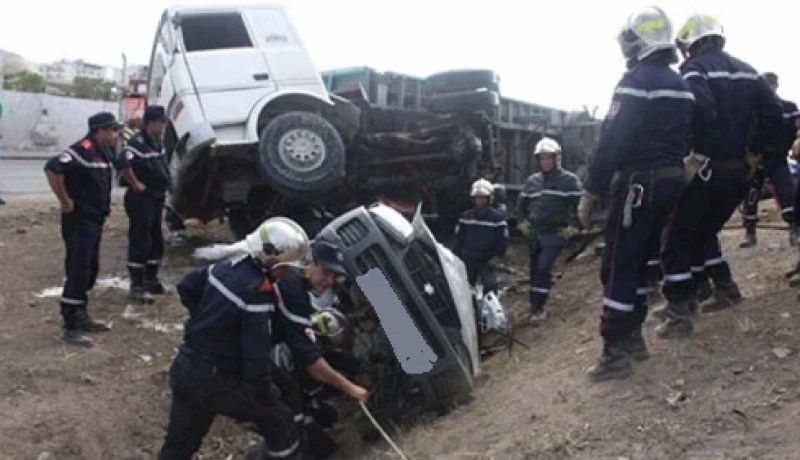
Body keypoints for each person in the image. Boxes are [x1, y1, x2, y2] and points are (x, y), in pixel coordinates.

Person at [578, 6, 694, 381]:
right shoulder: (681, 85)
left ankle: (615, 353)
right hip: (672, 180)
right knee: (645, 262)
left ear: (638, 42)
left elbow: (614, 139)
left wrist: (593, 187)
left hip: (639, 184)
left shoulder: (636, 81)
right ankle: (634, 340)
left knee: (618, 264)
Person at [656, 13, 783, 332]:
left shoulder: (694, 70)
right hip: (739, 171)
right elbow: (774, 113)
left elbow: (701, 109)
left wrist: (698, 150)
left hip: (706, 168)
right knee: (704, 232)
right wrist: (756, 151)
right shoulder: (747, 70)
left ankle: (679, 308)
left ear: (692, 43)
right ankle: (724, 288)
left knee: (675, 237)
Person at [157, 217, 319, 460]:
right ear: (271, 259)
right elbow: (256, 359)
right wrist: (265, 396)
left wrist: (207, 326)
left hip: (185, 368)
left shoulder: (223, 268)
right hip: (216, 380)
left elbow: (187, 287)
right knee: (280, 420)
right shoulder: (257, 294)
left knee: (179, 445)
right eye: (285, 266)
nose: (286, 273)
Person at [272, 239, 369, 458]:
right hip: (253, 372)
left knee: (321, 420)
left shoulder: (299, 291)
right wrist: (350, 389)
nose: (330, 281)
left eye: (335, 276)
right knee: (302, 441)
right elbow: (311, 363)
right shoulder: (291, 288)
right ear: (309, 262)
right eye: (326, 272)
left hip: (275, 374)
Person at [43, 112, 123, 347]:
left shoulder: (103, 153)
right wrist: (65, 201)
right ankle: (70, 325)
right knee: (78, 270)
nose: (116, 135)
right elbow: (51, 168)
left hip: (95, 220)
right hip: (79, 221)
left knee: (89, 270)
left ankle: (81, 314)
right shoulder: (82, 149)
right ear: (99, 131)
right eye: (112, 130)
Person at [516, 137, 583, 323]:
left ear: (557, 159)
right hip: (535, 234)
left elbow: (582, 206)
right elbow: (521, 205)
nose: (546, 162)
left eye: (549, 158)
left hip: (555, 234)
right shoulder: (532, 182)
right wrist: (521, 222)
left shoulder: (570, 181)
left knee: (543, 267)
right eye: (542, 158)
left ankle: (539, 308)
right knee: (534, 270)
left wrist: (574, 226)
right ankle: (534, 307)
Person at [115, 106, 172, 303]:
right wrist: (135, 183)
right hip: (142, 198)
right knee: (141, 240)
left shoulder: (157, 142)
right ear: (150, 122)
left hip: (157, 197)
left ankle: (151, 279)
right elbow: (123, 163)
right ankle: (137, 285)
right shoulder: (137, 143)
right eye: (160, 122)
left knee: (156, 238)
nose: (163, 125)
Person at [737, 72, 799, 248]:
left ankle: (794, 230)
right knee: (750, 196)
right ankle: (750, 233)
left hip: (778, 158)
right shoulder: (751, 110)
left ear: (776, 86)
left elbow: (796, 133)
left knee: (787, 194)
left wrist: (790, 147)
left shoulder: (789, 108)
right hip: (756, 160)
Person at [452, 178, 509, 298]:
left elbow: (502, 240)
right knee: (464, 289)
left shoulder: (497, 218)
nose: (480, 200)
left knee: (490, 288)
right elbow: (459, 238)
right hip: (468, 259)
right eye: (478, 197)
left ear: (489, 198)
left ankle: (490, 313)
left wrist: (497, 257)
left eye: (483, 197)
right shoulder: (466, 216)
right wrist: (456, 256)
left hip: (487, 260)